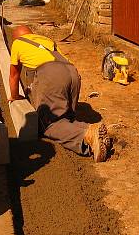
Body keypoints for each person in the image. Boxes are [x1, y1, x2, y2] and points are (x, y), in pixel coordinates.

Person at [8, 25, 109, 162]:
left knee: (50, 124)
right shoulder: (46, 40)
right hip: (72, 73)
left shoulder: (17, 43)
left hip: (52, 74)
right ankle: (92, 129)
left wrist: (14, 97)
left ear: (16, 38)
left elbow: (14, 75)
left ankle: (85, 135)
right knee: (66, 119)